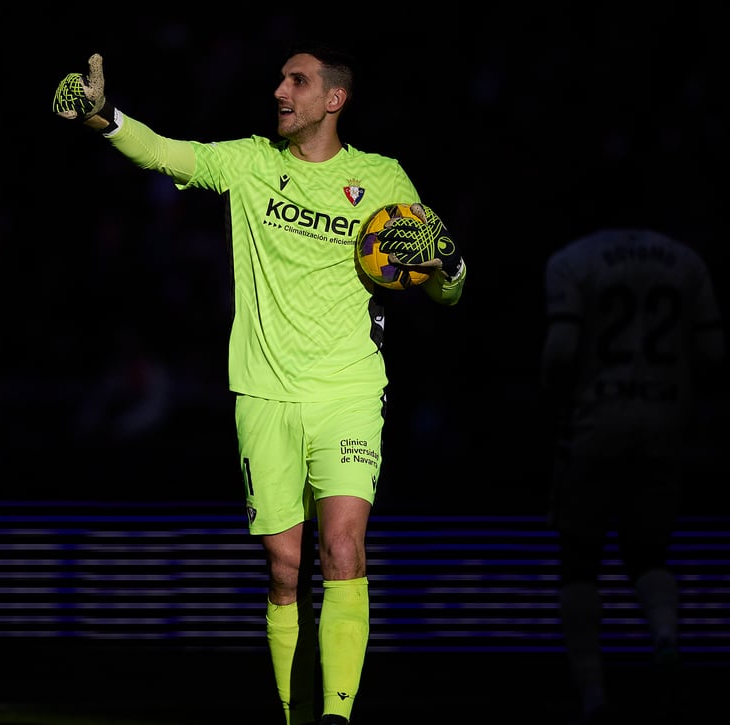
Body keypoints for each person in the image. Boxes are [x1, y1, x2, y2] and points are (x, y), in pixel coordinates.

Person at [52, 44, 467, 725]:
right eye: (280, 78)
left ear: (333, 99)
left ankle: (335, 718)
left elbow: (448, 287)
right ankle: (297, 716)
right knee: (283, 568)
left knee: (343, 547)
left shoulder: (382, 178)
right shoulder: (249, 163)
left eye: (297, 81)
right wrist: (104, 116)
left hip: (348, 389)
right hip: (264, 389)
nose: (280, 90)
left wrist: (447, 266)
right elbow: (166, 153)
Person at [541, 225, 725, 724]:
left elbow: (561, 349)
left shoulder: (571, 259)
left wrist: (549, 405)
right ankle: (664, 633)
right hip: (665, 421)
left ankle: (593, 695)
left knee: (580, 560)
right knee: (649, 552)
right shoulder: (686, 259)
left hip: (593, 422)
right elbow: (713, 353)